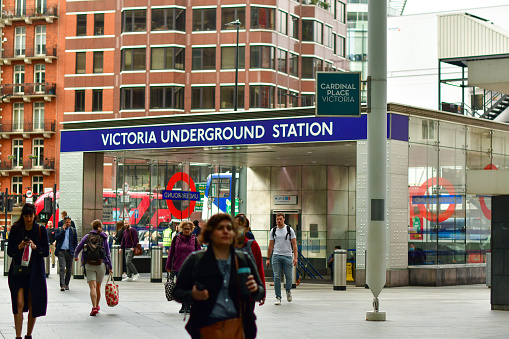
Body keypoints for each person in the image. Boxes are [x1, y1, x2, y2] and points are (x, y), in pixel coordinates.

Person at [173, 213, 264, 339]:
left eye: (229, 228)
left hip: (238, 327)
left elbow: (260, 292)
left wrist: (255, 290)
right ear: (210, 233)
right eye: (220, 228)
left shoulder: (243, 259)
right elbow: (177, 292)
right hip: (207, 327)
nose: (226, 231)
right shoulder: (197, 260)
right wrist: (192, 295)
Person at [7, 203, 49, 339]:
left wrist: (35, 247)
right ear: (23, 216)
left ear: (34, 215)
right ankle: (18, 336)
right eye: (26, 216)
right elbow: (9, 251)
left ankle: (28, 334)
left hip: (35, 271)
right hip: (18, 270)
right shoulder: (15, 229)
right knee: (18, 302)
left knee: (32, 303)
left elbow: (46, 252)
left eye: (31, 216)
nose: (29, 219)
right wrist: (19, 246)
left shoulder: (41, 230)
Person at [74, 219, 113, 316]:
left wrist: (76, 256)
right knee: (98, 287)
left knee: (92, 287)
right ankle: (97, 305)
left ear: (92, 227)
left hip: (89, 263)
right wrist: (110, 266)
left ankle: (94, 306)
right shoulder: (103, 237)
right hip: (101, 264)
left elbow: (78, 247)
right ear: (101, 227)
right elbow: (108, 253)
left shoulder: (87, 236)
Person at [166, 220, 201, 313]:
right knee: (182, 286)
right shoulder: (176, 238)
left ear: (192, 229)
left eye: (189, 229)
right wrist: (168, 265)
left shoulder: (195, 240)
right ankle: (184, 305)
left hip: (191, 266)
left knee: (190, 286)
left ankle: (189, 305)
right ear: (181, 229)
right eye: (185, 229)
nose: (187, 231)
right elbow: (171, 252)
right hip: (178, 266)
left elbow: (199, 253)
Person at [233, 213, 266, 306]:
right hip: (230, 295)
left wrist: (262, 292)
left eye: (240, 226)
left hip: (249, 294)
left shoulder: (253, 245)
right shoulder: (227, 246)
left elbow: (259, 269)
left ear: (247, 229)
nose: (237, 228)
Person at [266, 212, 297, 305]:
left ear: (284, 219)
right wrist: (268, 258)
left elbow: (294, 244)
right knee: (276, 277)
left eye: (280, 219)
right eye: (277, 219)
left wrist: (295, 257)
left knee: (289, 277)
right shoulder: (273, 230)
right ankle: (278, 297)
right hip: (276, 256)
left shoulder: (289, 229)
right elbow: (270, 245)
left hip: (287, 256)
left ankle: (288, 290)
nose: (278, 221)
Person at [55, 216, 78, 291]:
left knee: (69, 269)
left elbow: (75, 242)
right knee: (62, 268)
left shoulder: (73, 230)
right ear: (64, 222)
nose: (68, 224)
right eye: (67, 222)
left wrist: (74, 250)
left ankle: (66, 284)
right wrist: (63, 231)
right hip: (61, 251)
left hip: (69, 251)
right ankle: (62, 285)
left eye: (69, 222)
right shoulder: (59, 229)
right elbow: (56, 238)